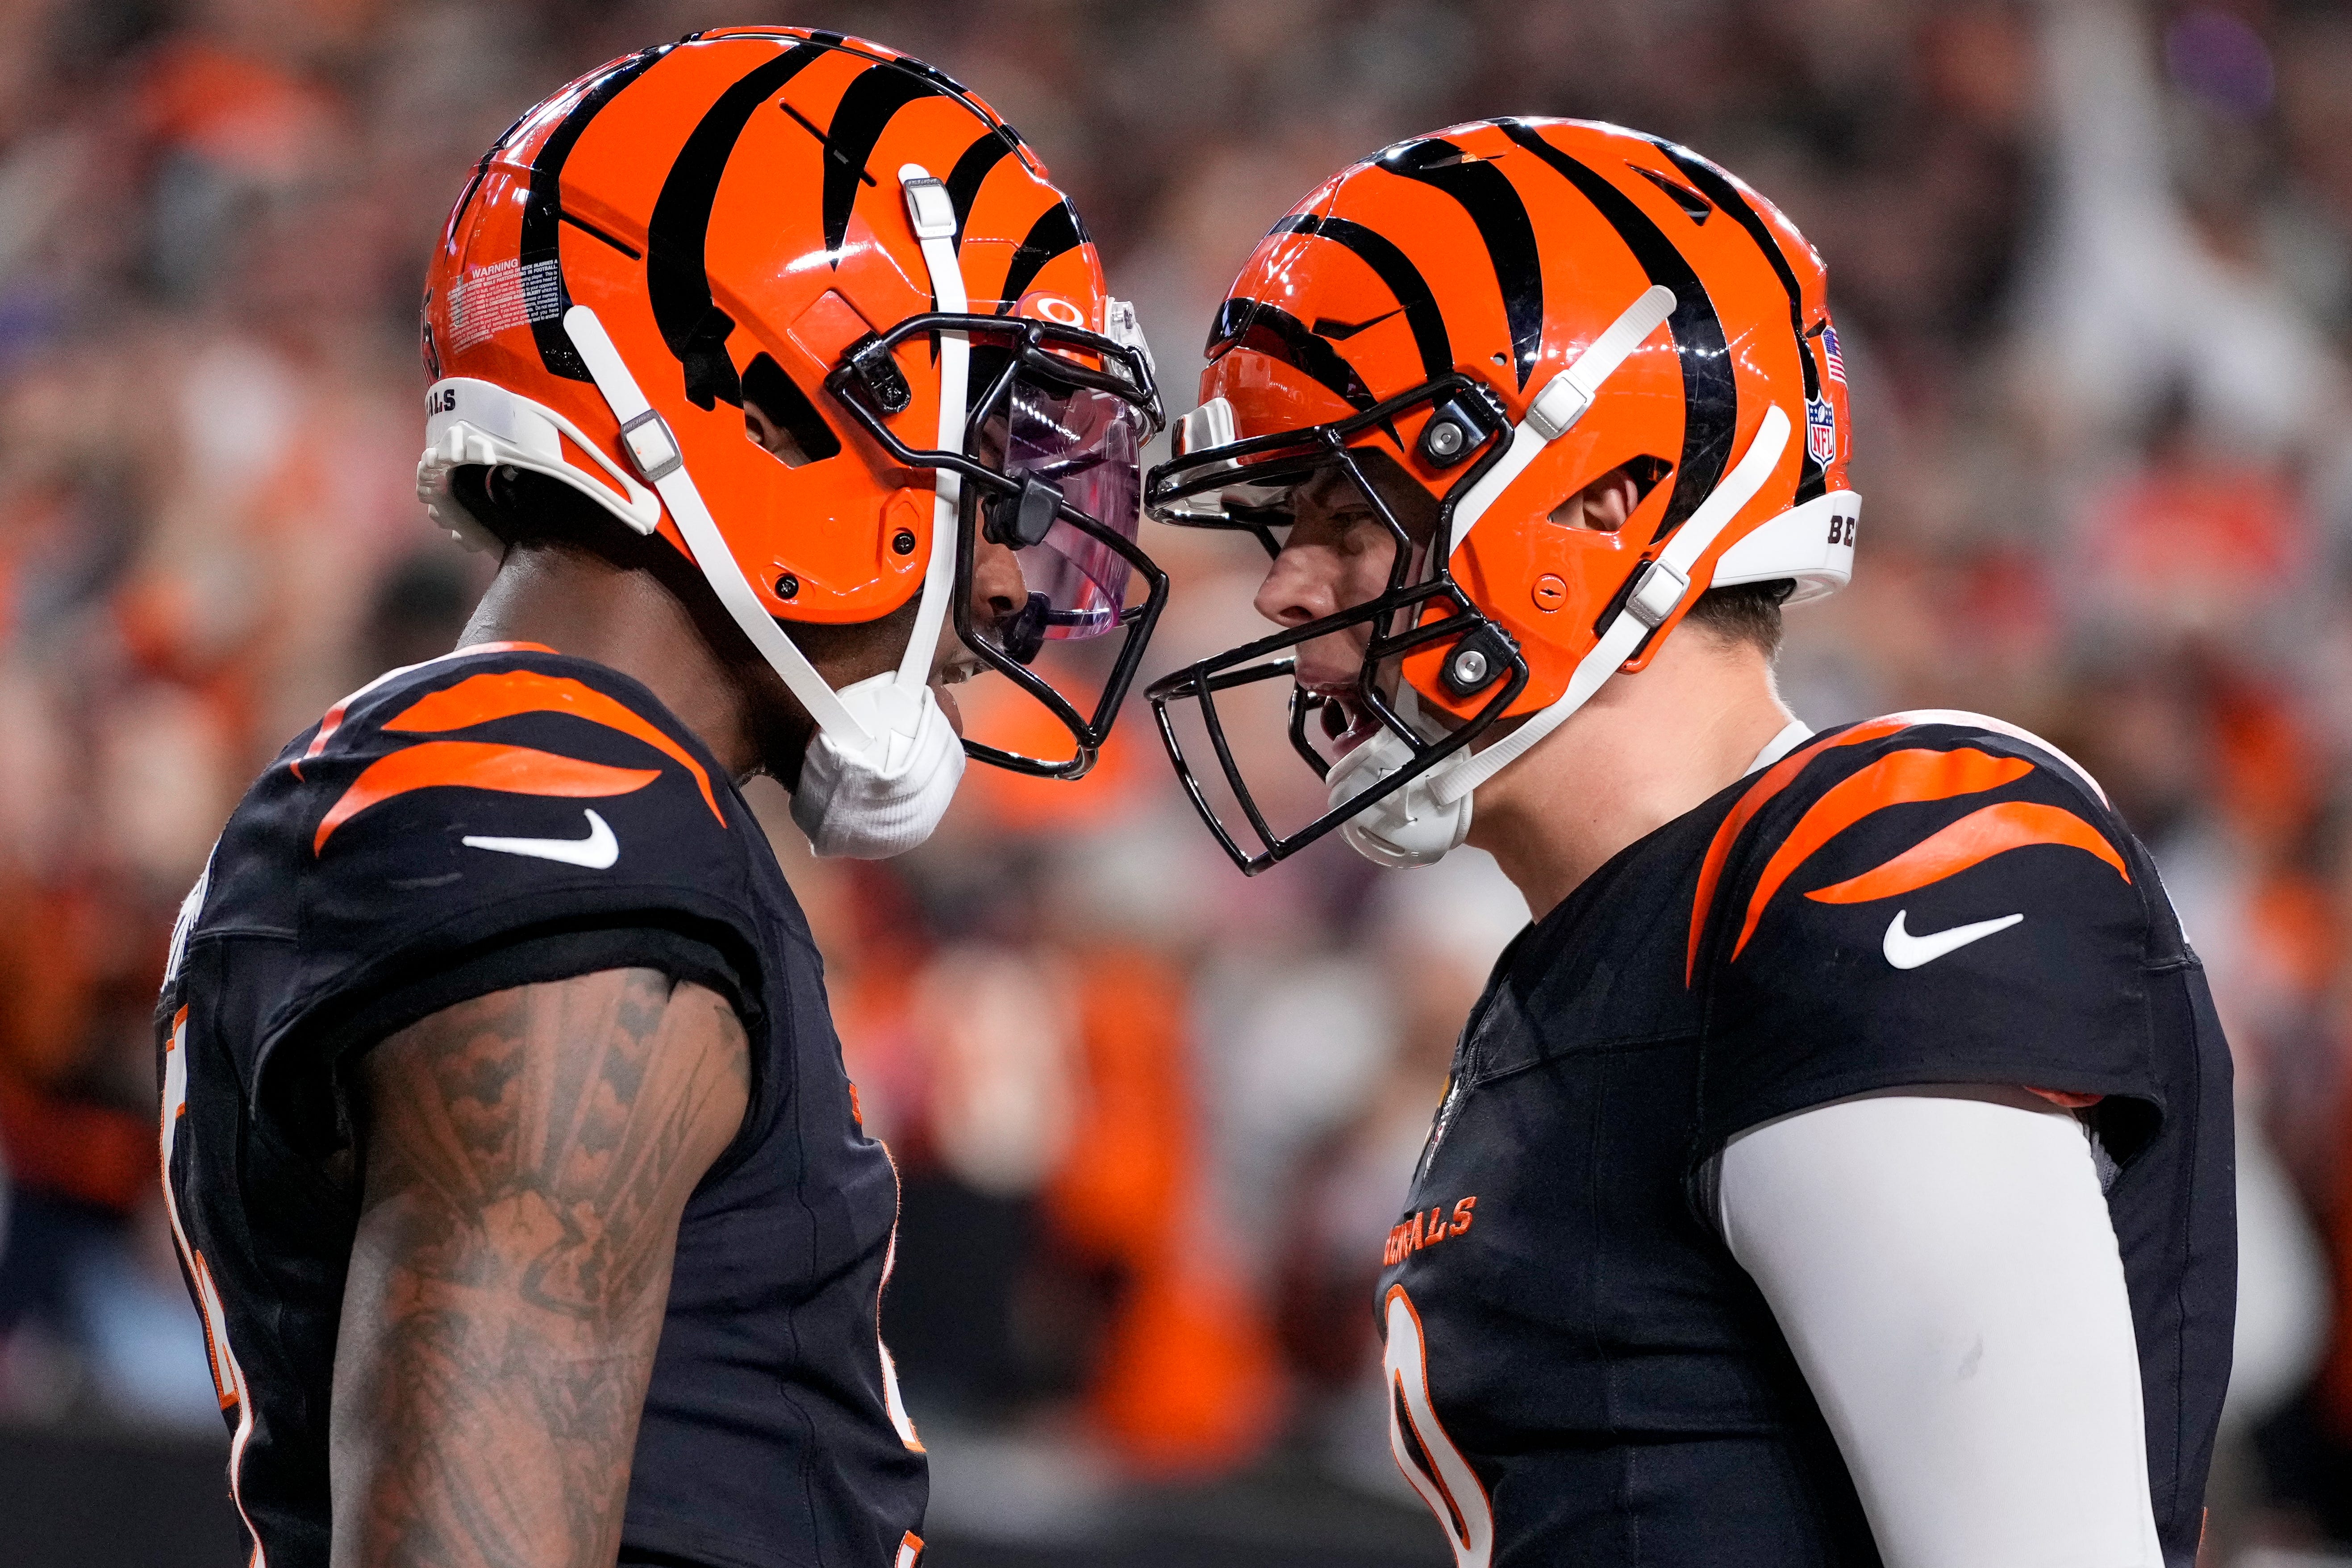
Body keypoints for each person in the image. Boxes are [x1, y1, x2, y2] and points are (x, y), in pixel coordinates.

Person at [1144, 117, 2233, 1567]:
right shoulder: (1593, 949)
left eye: (1349, 513)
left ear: (1602, 501)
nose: (1281, 589)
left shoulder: (1860, 862)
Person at [154, 28, 1166, 1568]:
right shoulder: (560, 808)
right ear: (769, 406)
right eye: (998, 460)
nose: (1019, 567)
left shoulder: (524, 784)